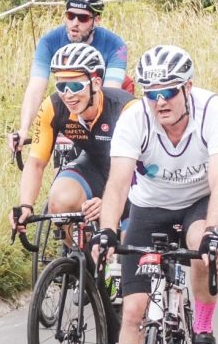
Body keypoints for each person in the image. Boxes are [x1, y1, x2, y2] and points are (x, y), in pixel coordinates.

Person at [91, 46, 218, 344]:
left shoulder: (213, 112)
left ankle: (203, 332)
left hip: (199, 201)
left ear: (187, 87)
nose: (160, 102)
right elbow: (118, 184)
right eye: (151, 93)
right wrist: (105, 233)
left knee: (202, 250)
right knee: (134, 311)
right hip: (149, 206)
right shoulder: (135, 119)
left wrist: (215, 234)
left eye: (169, 92)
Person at [11, 43, 133, 234]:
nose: (68, 95)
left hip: (134, 178)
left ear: (96, 83)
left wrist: (111, 203)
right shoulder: (53, 107)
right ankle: (82, 259)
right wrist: (25, 205)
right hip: (94, 167)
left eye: (75, 85)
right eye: (61, 85)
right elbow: (35, 162)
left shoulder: (126, 109)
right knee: (60, 201)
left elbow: (148, 170)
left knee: (127, 249)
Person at [11, 0, 130, 161]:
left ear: (96, 20)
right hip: (71, 104)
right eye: (70, 16)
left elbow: (111, 91)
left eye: (82, 18)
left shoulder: (115, 44)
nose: (74, 23)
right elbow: (36, 87)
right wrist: (23, 129)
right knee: (64, 162)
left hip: (102, 104)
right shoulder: (48, 41)